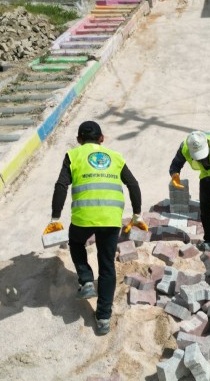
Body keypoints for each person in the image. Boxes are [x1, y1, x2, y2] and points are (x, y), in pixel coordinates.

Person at [47, 121, 146, 335]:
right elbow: (133, 184)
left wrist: (55, 217)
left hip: (84, 217)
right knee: (107, 265)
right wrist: (137, 214)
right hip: (111, 218)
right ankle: (103, 319)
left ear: (79, 140)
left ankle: (85, 279)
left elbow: (61, 185)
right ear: (102, 139)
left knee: (75, 242)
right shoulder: (116, 157)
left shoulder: (73, 156)